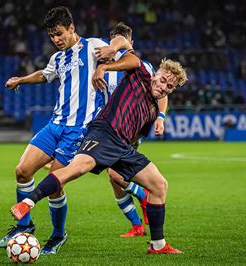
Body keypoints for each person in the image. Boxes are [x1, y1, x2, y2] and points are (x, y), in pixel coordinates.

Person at [10, 55, 187, 254]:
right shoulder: (141, 73)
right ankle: (26, 203)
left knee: (159, 185)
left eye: (169, 87)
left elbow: (136, 136)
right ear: (156, 74)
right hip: (104, 132)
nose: (164, 87)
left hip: (122, 146)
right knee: (76, 169)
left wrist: (159, 119)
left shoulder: (153, 108)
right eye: (163, 80)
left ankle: (158, 245)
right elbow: (130, 53)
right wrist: (105, 67)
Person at [0, 6, 133, 254]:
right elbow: (45, 75)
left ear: (71, 27)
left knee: (55, 185)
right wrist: (21, 80)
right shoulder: (57, 58)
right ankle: (24, 227)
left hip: (79, 131)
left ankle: (58, 234)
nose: (56, 40)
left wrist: (113, 50)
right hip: (55, 125)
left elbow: (124, 41)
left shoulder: (93, 46)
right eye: (51, 36)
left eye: (59, 33)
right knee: (22, 171)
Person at [98, 22, 169, 238]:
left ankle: (145, 199)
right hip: (107, 127)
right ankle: (137, 224)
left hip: (132, 131)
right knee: (115, 179)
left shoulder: (140, 66)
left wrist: (161, 117)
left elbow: (162, 93)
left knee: (115, 174)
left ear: (131, 44)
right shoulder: (101, 66)